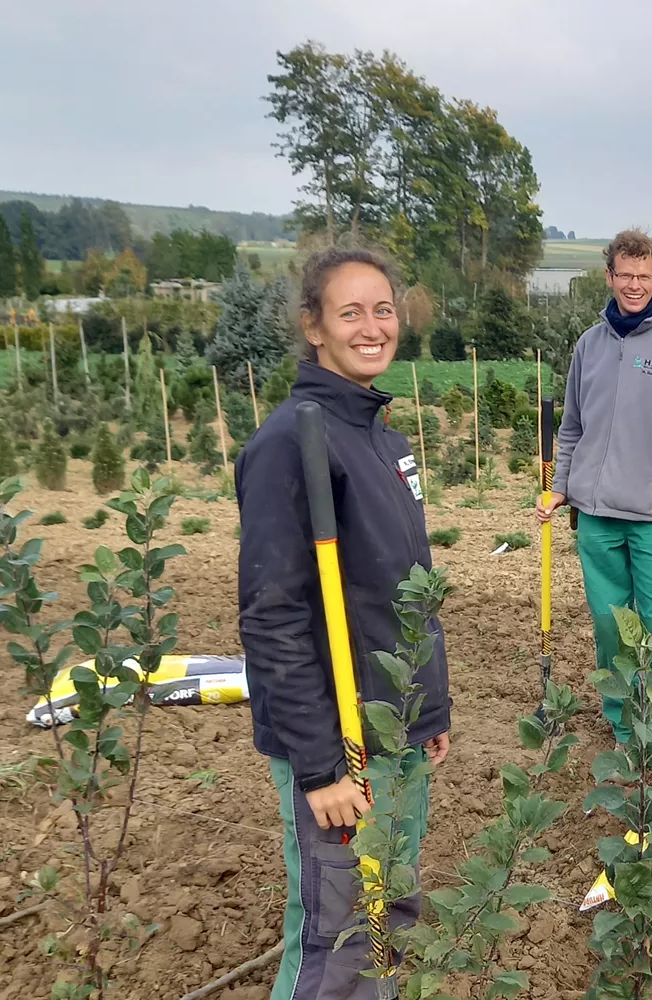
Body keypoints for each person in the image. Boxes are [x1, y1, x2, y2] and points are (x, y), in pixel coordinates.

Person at [237, 247, 451, 1000]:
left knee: (387, 906)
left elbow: (401, 587)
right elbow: (271, 618)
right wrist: (323, 766)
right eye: (350, 311)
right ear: (314, 327)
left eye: (383, 308)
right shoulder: (291, 445)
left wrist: (430, 710)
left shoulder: (380, 439)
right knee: (338, 935)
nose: (372, 326)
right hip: (341, 740)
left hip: (394, 728)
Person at [535, 229, 652, 750]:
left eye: (645, 276)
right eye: (625, 275)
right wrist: (559, 489)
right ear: (610, 276)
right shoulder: (588, 346)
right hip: (596, 520)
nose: (635, 285)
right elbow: (572, 428)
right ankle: (629, 733)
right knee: (611, 634)